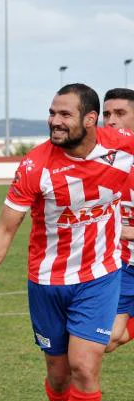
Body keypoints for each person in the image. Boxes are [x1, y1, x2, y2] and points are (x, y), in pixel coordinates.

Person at [0, 83, 134, 401]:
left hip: (100, 274)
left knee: (84, 366)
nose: (55, 121)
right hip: (48, 280)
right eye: (52, 113)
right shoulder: (35, 166)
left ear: (90, 119)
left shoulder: (122, 146)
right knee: (58, 376)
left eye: (65, 114)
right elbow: (5, 228)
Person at [102, 88, 134, 352]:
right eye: (106, 114)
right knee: (109, 339)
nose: (111, 120)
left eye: (120, 113)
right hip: (124, 263)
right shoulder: (100, 162)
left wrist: (126, 231)